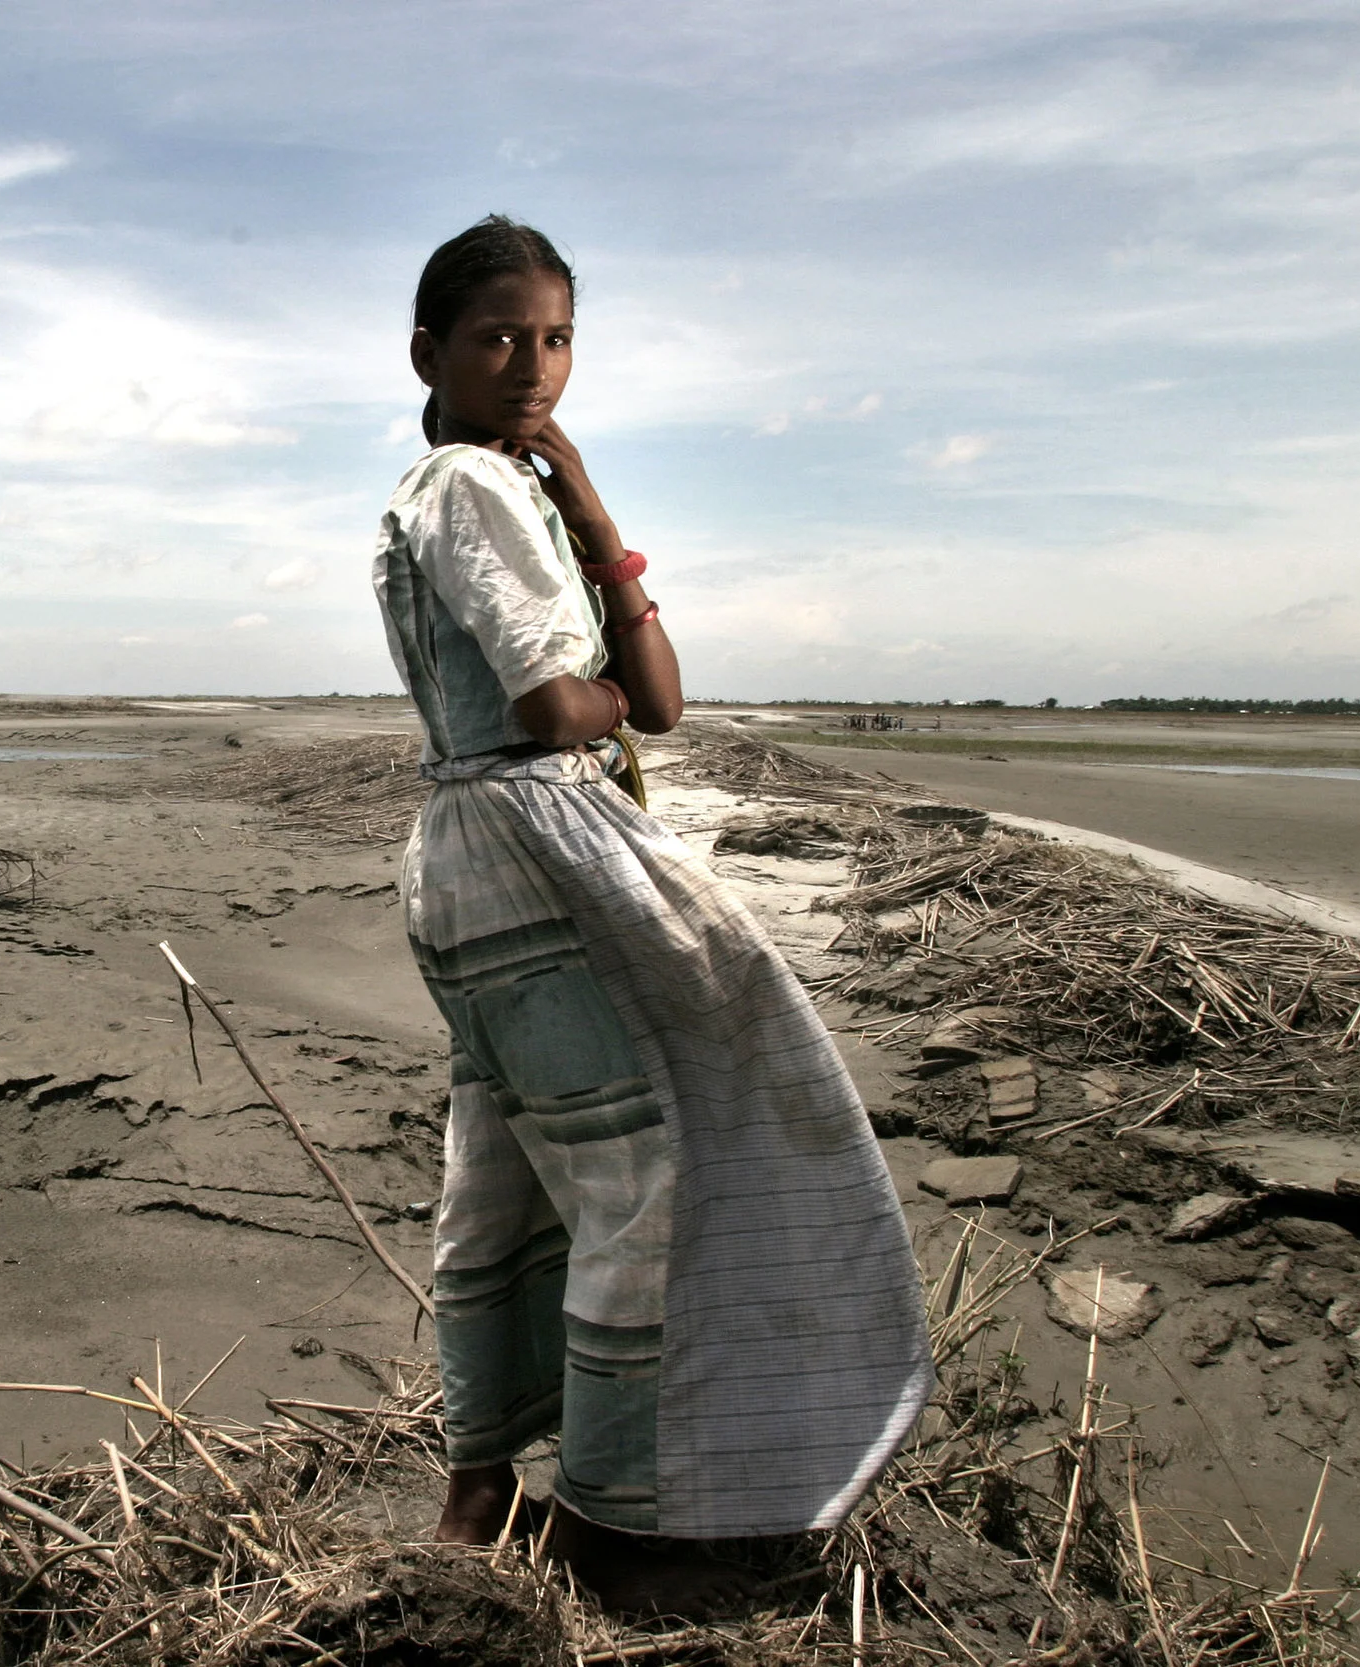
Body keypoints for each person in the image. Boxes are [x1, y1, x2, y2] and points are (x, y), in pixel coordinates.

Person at [372, 215, 932, 1614]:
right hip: (537, 840)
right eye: (499, 336)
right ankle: (606, 1519)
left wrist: (600, 515)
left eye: (556, 338)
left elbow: (661, 699)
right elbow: (570, 705)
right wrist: (598, 676)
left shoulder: (500, 486)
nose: (533, 365)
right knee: (648, 1169)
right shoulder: (468, 489)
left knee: (502, 1169)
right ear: (429, 350)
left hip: (468, 856)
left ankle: (478, 1485)